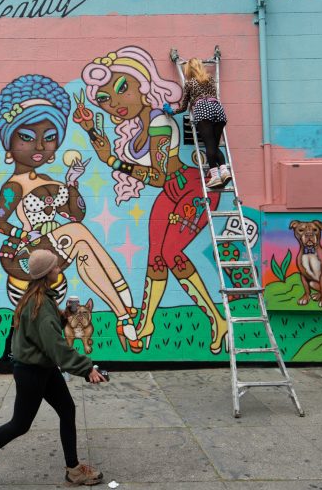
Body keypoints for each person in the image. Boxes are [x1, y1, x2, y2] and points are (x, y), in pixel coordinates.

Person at [79, 46, 228, 355]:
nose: (115, 103)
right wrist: (92, 129)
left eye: (122, 88)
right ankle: (146, 322)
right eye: (106, 100)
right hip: (169, 194)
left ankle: (218, 319)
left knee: (172, 253)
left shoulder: (159, 122)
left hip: (190, 188)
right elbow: (117, 158)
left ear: (143, 84)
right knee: (156, 258)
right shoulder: (140, 131)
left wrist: (117, 163)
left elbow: (160, 176)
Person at [0, 74, 139, 353]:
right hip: (25, 253)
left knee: (81, 240)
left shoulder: (50, 180)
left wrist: (72, 182)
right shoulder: (13, 186)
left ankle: (121, 314)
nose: (39, 147)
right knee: (78, 235)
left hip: (54, 246)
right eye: (26, 138)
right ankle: (123, 303)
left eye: (48, 139)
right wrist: (24, 232)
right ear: (9, 145)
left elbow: (75, 214)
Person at [0, 249, 106, 489]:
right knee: (20, 424)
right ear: (46, 273)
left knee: (67, 410)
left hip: (42, 367)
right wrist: (86, 368)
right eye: (56, 267)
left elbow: (41, 332)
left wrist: (63, 316)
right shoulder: (40, 303)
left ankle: (74, 470)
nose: (59, 269)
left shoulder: (35, 297)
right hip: (32, 371)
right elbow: (56, 346)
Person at [172, 57, 230, 189]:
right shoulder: (210, 79)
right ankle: (225, 171)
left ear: (189, 70)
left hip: (203, 110)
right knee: (214, 146)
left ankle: (215, 176)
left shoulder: (190, 83)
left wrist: (172, 112)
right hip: (218, 110)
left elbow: (184, 107)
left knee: (209, 145)